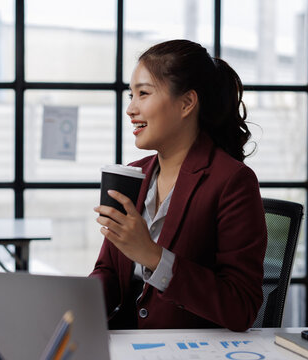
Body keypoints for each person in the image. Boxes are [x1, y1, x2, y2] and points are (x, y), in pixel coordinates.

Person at [90, 39, 267, 332]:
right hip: (122, 345)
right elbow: (108, 271)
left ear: (186, 103)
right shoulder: (133, 175)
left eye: (143, 94)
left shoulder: (232, 181)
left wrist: (153, 256)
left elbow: (241, 307)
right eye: (130, 95)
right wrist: (74, 308)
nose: (131, 109)